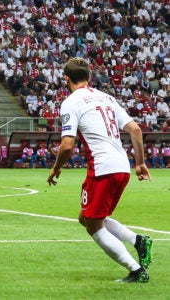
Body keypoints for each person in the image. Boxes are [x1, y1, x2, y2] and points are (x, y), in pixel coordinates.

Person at [47, 57, 153, 283]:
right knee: (87, 217)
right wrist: (140, 163)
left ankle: (136, 270)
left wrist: (56, 169)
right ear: (89, 77)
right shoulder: (107, 97)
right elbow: (134, 129)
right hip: (121, 166)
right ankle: (138, 241)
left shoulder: (71, 102)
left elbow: (67, 145)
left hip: (102, 167)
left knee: (93, 225)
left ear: (66, 78)